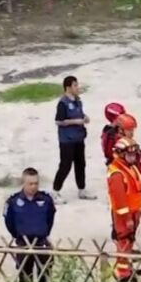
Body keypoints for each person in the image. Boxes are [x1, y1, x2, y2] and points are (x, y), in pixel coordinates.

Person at [3, 167, 56, 282]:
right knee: (25, 279)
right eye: (30, 184)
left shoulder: (46, 199)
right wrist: (17, 235)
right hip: (23, 243)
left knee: (44, 278)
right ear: (23, 183)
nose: (33, 186)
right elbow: (9, 221)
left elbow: (50, 218)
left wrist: (44, 232)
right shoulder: (13, 201)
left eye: (36, 183)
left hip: (41, 243)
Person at [106, 138, 141, 282]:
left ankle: (126, 267)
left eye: (134, 154)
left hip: (133, 212)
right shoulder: (117, 174)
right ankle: (122, 272)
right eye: (130, 155)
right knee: (123, 241)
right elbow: (120, 200)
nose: (133, 157)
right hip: (124, 215)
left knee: (129, 242)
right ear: (121, 154)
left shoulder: (128, 168)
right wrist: (127, 218)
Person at [52, 76, 92, 204]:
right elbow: (59, 121)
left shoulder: (78, 100)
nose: (77, 87)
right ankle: (55, 192)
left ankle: (82, 190)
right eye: (75, 85)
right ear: (68, 87)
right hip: (67, 140)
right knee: (65, 165)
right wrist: (76, 121)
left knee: (81, 164)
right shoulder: (62, 103)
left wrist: (85, 117)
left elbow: (79, 113)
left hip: (79, 138)